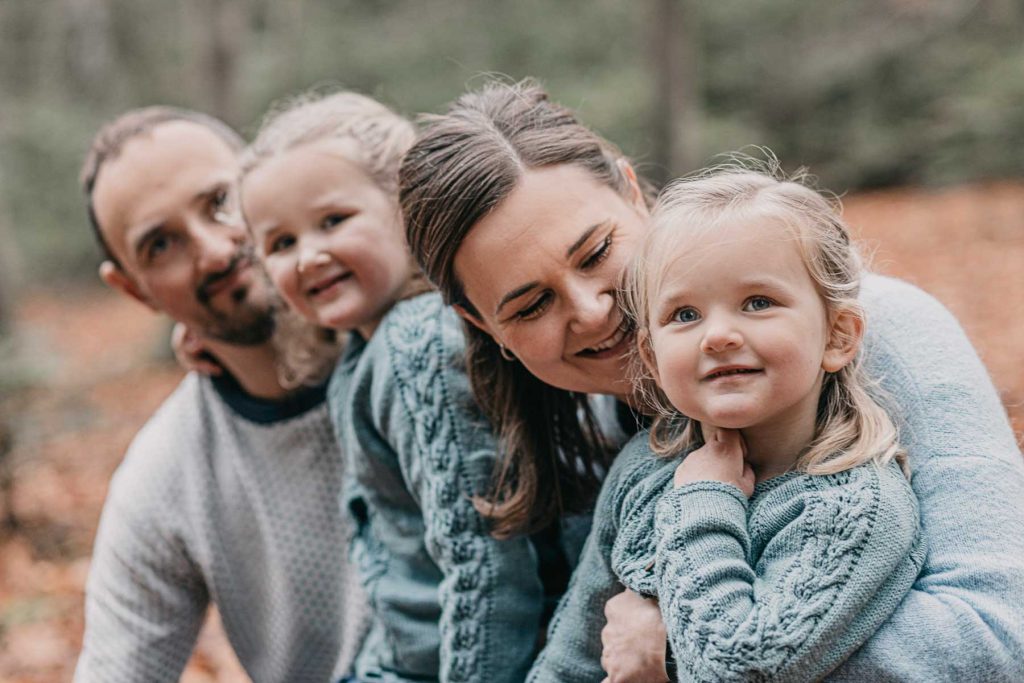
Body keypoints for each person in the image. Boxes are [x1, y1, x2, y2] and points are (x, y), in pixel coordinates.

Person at [399, 79, 1024, 681]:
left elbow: (999, 636)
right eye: (531, 305)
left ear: (629, 190)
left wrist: (674, 646)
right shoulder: (629, 454)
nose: (592, 310)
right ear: (481, 323)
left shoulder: (884, 335)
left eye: (594, 254)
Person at [541, 164, 927, 681]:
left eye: (758, 303)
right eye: (684, 315)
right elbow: (574, 654)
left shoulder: (857, 507)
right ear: (653, 360)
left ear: (837, 336)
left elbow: (741, 667)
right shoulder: (644, 469)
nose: (717, 335)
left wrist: (703, 500)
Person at [238, 91, 567, 683]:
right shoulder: (364, 353)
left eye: (333, 221)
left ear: (403, 208)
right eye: (280, 243)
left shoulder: (416, 346)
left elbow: (485, 563)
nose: (309, 256)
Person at [74, 107, 367, 683]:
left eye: (221, 202)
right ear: (133, 290)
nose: (212, 251)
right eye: (161, 245)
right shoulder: (165, 478)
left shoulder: (443, 328)